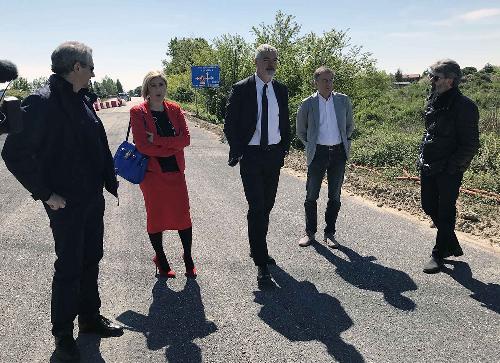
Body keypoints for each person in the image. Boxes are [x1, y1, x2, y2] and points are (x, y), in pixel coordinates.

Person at [1, 41, 123, 362]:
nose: (95, 70)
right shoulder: (41, 102)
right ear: (77, 67)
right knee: (69, 266)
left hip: (90, 198)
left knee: (90, 258)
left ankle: (90, 318)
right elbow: (13, 153)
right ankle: (63, 334)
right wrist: (44, 193)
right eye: (91, 64)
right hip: (65, 203)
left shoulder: (80, 99)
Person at [224, 44, 291, 282]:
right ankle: (262, 262)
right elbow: (229, 124)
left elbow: (284, 122)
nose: (270, 63)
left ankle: (257, 247)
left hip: (273, 155)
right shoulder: (241, 89)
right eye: (265, 58)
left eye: (274, 59)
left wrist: (284, 148)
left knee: (268, 205)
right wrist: (239, 151)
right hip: (251, 156)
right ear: (256, 62)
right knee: (257, 207)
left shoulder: (281, 90)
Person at [130, 70, 196, 279]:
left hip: (175, 172)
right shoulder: (138, 112)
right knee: (156, 218)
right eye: (153, 85)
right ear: (146, 89)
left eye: (161, 85)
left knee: (183, 217)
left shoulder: (175, 110)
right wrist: (170, 146)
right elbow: (142, 146)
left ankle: (188, 257)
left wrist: (157, 140)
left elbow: (185, 140)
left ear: (166, 87)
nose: (158, 89)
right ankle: (160, 257)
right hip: (152, 176)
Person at [419, 59, 479, 273]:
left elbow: (470, 144)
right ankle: (451, 242)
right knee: (428, 206)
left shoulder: (465, 107)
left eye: (435, 77)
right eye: (431, 75)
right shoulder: (434, 98)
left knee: (445, 212)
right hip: (428, 165)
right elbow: (430, 132)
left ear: (450, 81)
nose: (431, 80)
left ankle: (439, 252)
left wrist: (452, 167)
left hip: (447, 170)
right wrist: (422, 155)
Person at [296, 66, 354, 248]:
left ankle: (330, 233)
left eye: (330, 80)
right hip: (318, 153)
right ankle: (309, 232)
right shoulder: (307, 103)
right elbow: (301, 131)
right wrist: (311, 145)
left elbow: (349, 126)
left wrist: (345, 143)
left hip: (338, 153)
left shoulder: (343, 100)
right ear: (316, 82)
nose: (328, 84)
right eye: (324, 80)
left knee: (335, 196)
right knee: (311, 195)